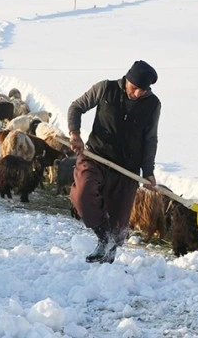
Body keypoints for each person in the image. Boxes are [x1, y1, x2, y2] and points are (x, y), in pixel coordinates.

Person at [67, 60, 161, 264]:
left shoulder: (153, 104)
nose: (137, 94)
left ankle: (107, 263)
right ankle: (103, 236)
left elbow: (150, 138)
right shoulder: (105, 89)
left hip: (127, 168)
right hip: (96, 157)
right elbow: (76, 107)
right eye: (134, 88)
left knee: (119, 226)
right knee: (83, 195)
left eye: (143, 91)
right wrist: (75, 134)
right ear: (127, 79)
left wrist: (149, 171)